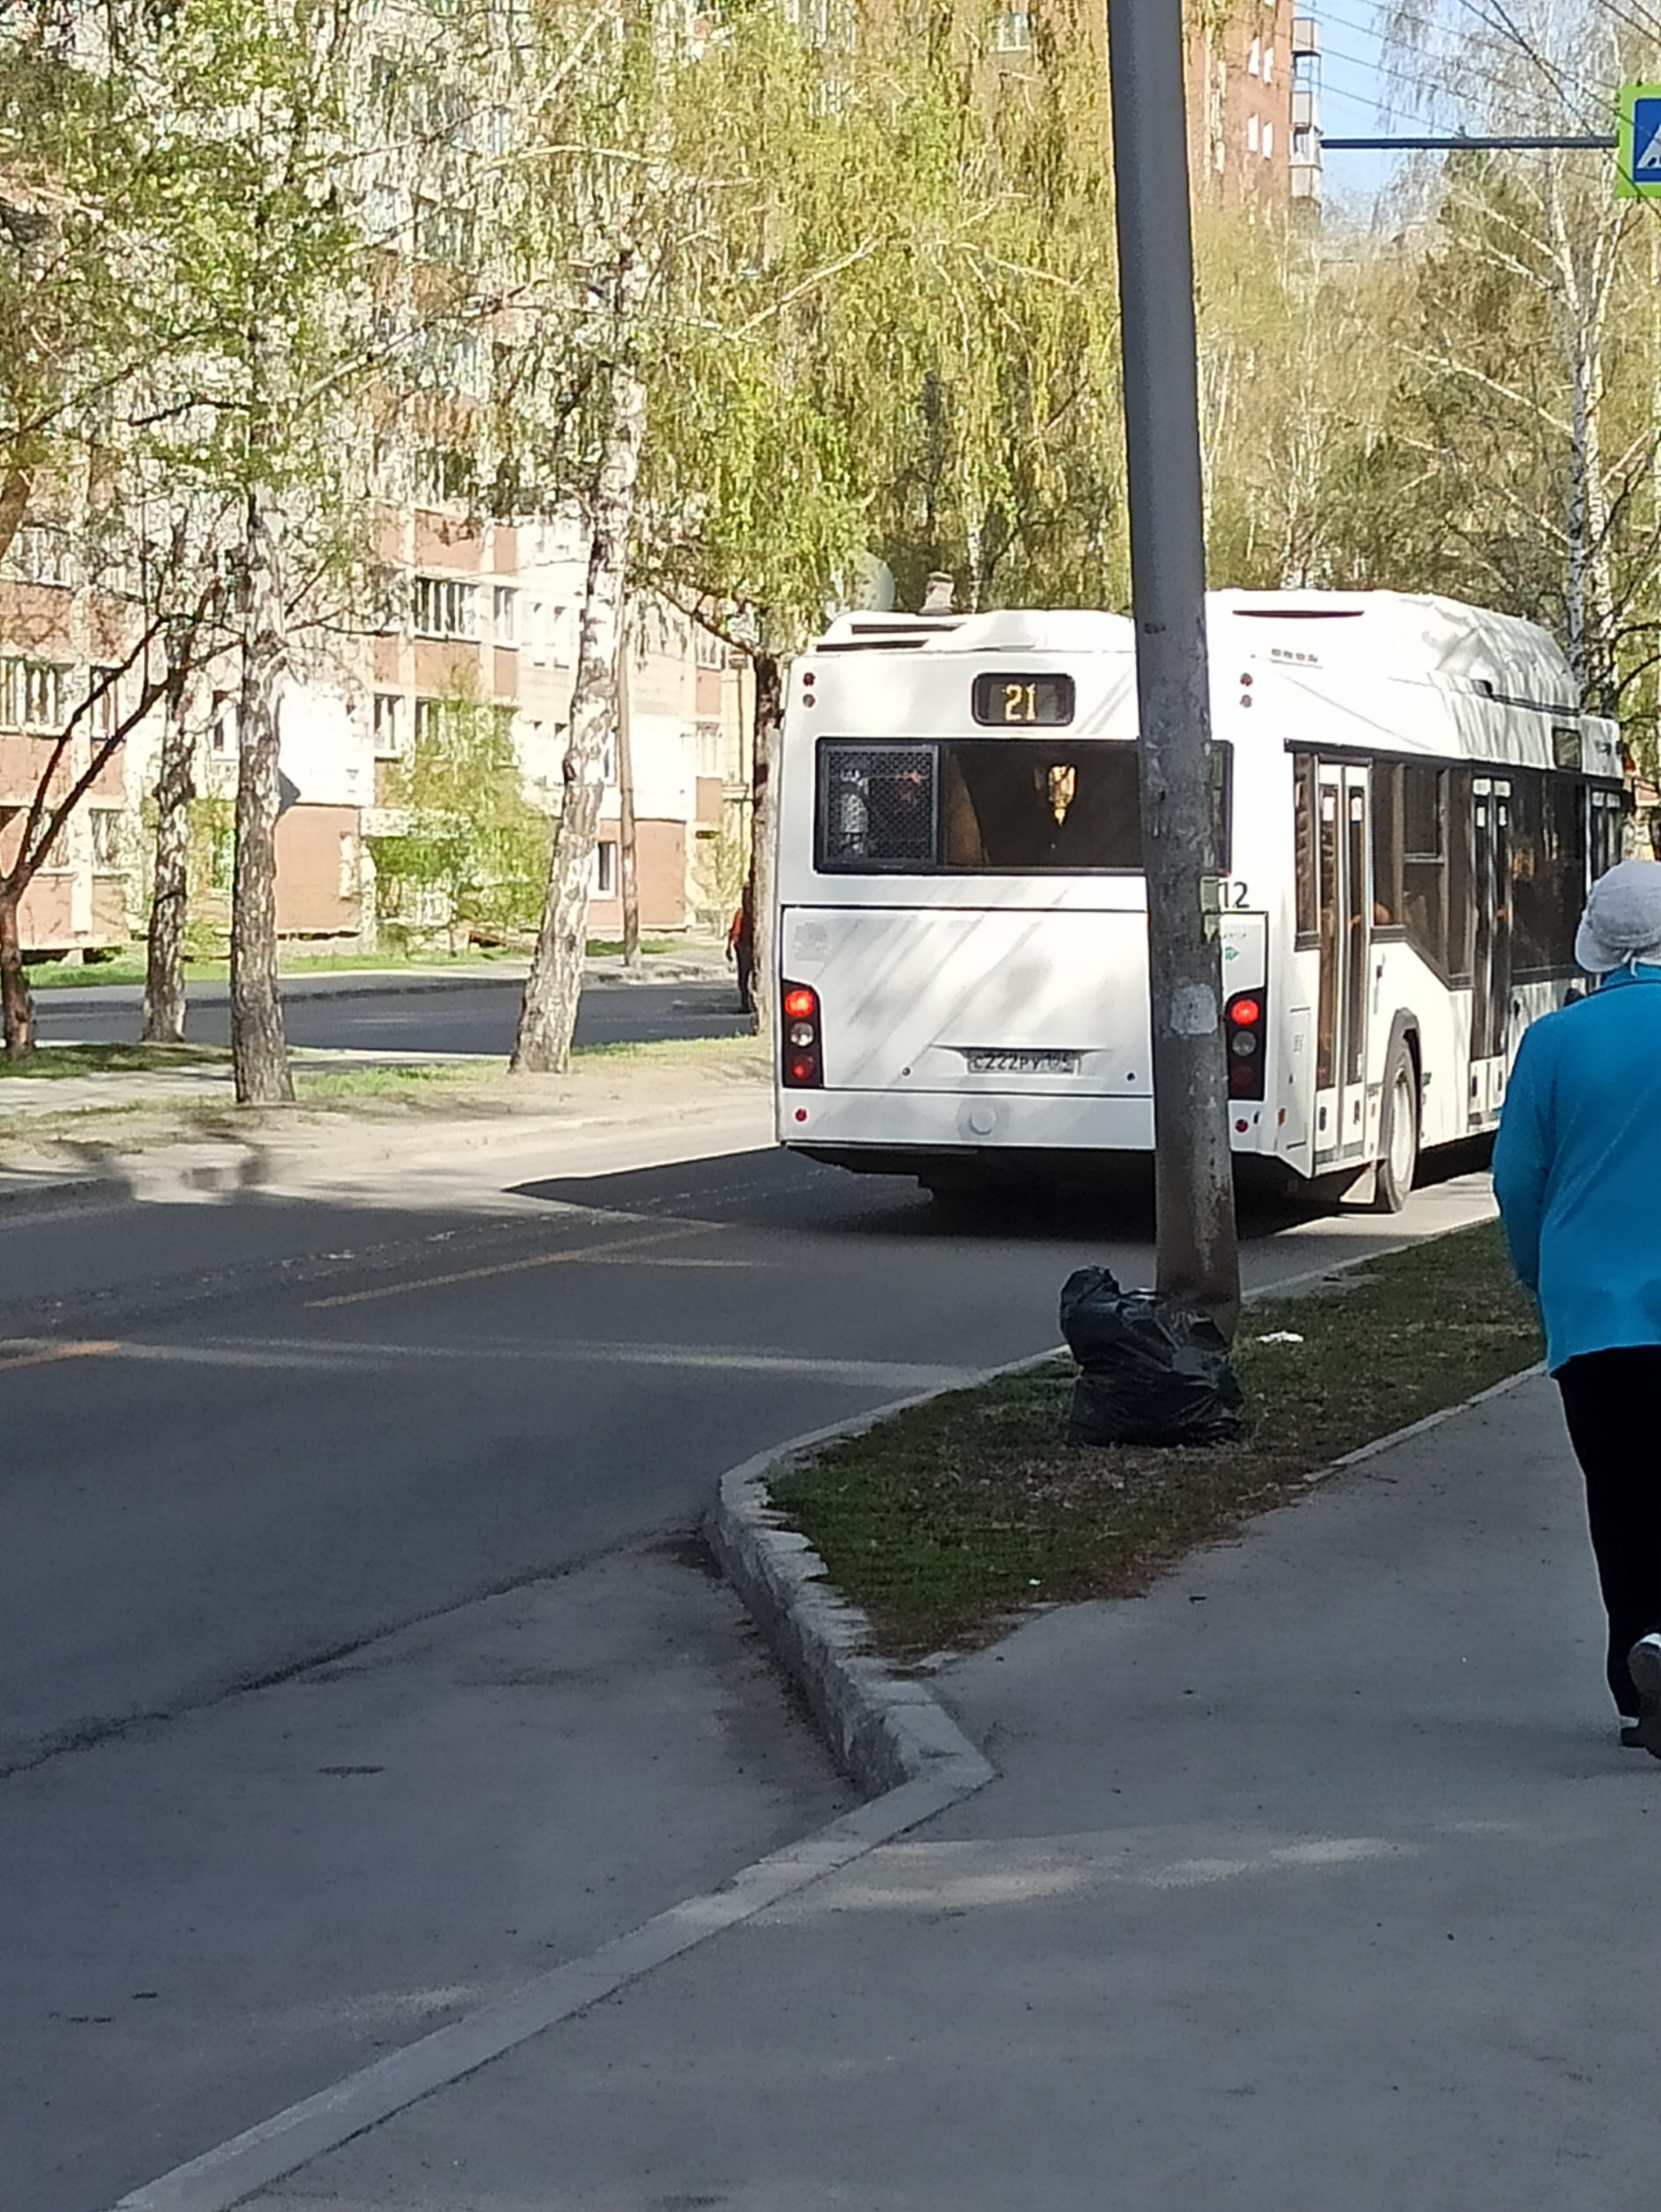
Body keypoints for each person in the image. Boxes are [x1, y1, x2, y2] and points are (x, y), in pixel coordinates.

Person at [1493, 857, 1661, 1754]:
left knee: (1622, 1491)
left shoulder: (1555, 1042)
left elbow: (1518, 1180)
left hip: (1595, 1312)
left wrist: (1537, 1272)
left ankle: (1638, 1667)